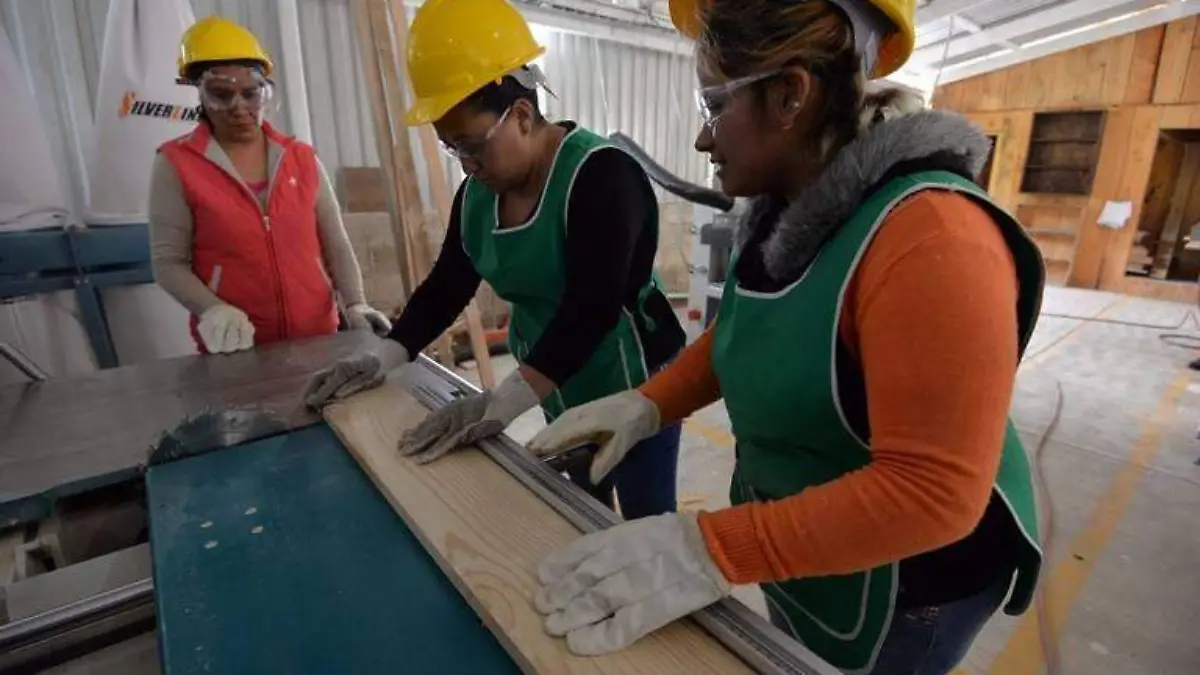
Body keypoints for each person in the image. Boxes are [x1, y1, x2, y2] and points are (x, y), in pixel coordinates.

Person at [525, 1, 1046, 673]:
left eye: (714, 105)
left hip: (910, 583)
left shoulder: (933, 237)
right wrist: (647, 404)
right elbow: (748, 329)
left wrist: (711, 548)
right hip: (813, 539)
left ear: (791, 95)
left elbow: (932, 493)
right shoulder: (788, 208)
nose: (702, 139)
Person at [303, 0, 686, 521]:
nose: (467, 165)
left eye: (472, 145)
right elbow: (446, 286)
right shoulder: (478, 196)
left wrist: (501, 403)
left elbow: (592, 309)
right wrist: (385, 356)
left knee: (646, 521)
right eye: (451, 148)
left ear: (522, 116)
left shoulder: (600, 176)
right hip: (553, 375)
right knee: (580, 509)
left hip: (632, 374)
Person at [150, 16, 390, 355]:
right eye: (222, 95)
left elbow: (335, 242)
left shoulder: (301, 158)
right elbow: (168, 263)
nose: (239, 108)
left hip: (319, 339)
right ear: (201, 95)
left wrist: (355, 303)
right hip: (237, 349)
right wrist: (213, 309)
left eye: (250, 94)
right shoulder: (177, 164)